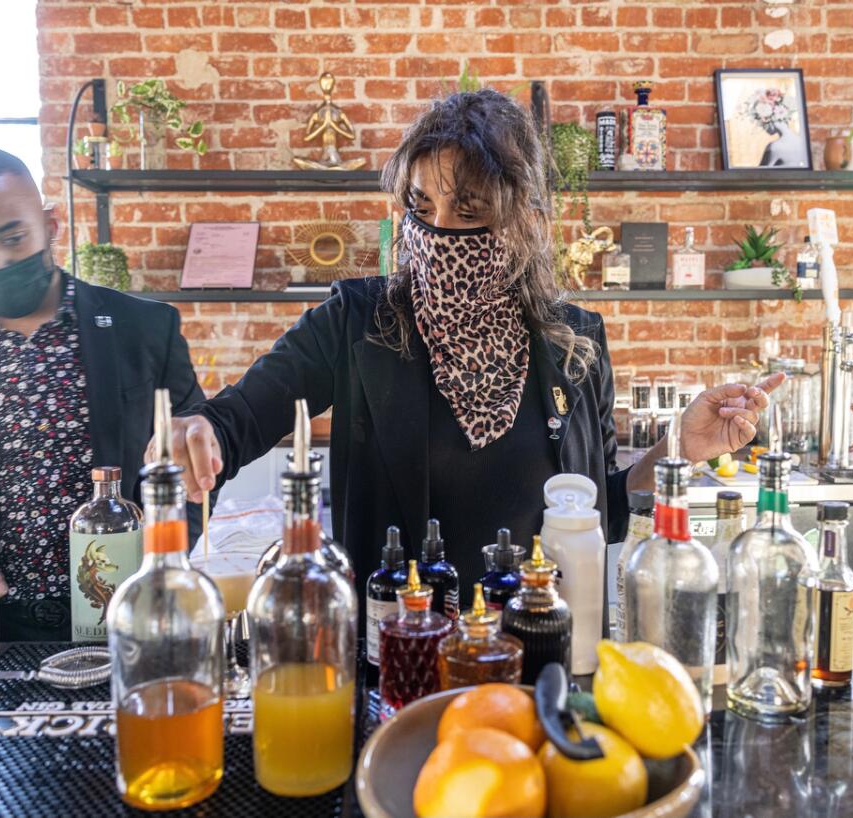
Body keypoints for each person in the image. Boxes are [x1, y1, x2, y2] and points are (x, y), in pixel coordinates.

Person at [164, 90, 782, 596]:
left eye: (468, 210)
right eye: (420, 204)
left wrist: (676, 450)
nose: (437, 232)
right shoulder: (357, 323)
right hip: (397, 656)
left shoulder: (577, 345)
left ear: (522, 216)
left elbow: (598, 510)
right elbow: (240, 418)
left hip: (537, 664)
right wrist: (201, 436)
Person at [0, 144, 206, 641]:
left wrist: (161, 566)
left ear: (51, 226)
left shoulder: (145, 328)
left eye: (12, 237)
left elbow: (192, 474)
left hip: (131, 619)